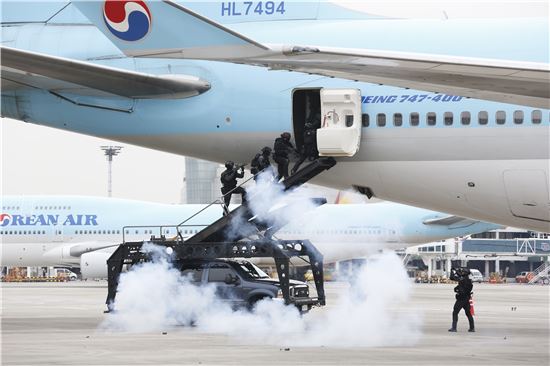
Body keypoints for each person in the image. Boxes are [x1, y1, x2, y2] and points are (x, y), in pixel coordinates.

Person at [448, 267, 475, 332]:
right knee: (468, 313)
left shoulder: (462, 279)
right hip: (466, 299)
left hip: (461, 299)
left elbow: (452, 277)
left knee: (455, 312)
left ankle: (454, 328)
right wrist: (456, 271)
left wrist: (453, 271)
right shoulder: (468, 280)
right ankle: (472, 328)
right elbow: (457, 276)